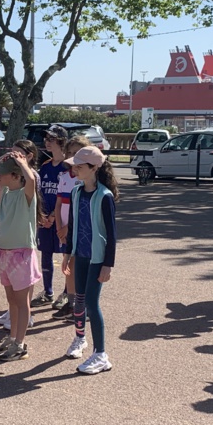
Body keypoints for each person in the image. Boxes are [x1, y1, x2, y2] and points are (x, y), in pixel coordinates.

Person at [61, 146, 118, 374]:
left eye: (79, 166)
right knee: (79, 300)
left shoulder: (105, 196)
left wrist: (108, 265)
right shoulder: (76, 192)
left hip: (97, 258)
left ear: (94, 168)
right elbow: (73, 226)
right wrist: (67, 254)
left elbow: (112, 235)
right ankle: (80, 338)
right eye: (74, 165)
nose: (74, 169)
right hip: (80, 255)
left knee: (92, 305)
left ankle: (101, 355)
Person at [0, 153, 41, 361]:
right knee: (11, 299)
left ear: (15, 175)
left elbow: (31, 180)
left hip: (21, 254)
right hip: (5, 253)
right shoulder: (5, 192)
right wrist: (5, 157)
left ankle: (20, 344)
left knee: (21, 301)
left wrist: (22, 163)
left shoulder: (25, 194)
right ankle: (12, 338)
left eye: (3, 173)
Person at [53, 135, 91, 319]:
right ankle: (70, 303)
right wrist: (59, 227)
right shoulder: (63, 177)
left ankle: (83, 305)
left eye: (77, 152)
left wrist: (67, 228)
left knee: (78, 267)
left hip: (78, 229)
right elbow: (59, 204)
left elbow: (80, 210)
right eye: (70, 152)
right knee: (67, 266)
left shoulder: (86, 179)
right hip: (63, 230)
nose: (73, 156)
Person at [32, 124, 68, 308]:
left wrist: (54, 216)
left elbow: (67, 196)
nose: (47, 142)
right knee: (45, 254)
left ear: (62, 141)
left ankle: (68, 293)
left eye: (51, 139)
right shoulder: (45, 166)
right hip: (45, 219)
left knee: (67, 256)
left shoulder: (69, 166)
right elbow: (39, 192)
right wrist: (42, 215)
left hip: (62, 220)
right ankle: (48, 292)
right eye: (46, 138)